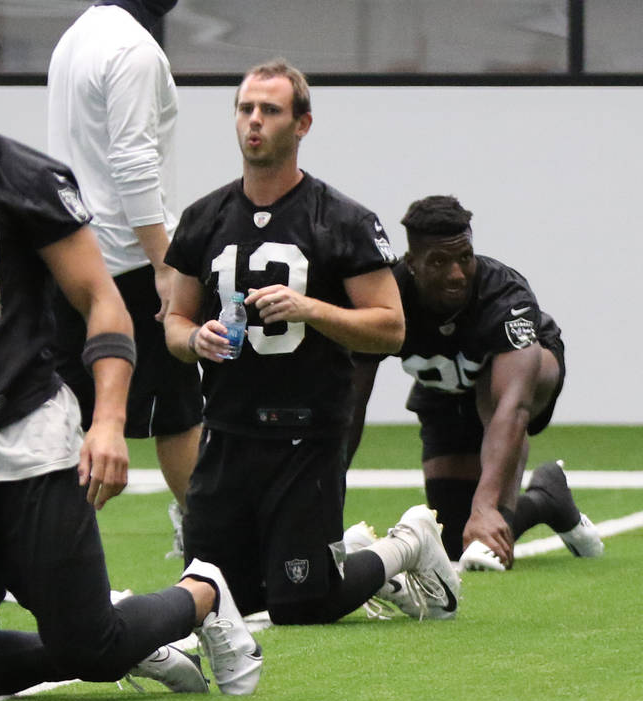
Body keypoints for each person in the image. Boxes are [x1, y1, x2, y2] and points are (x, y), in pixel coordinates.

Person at [0, 0, 262, 698]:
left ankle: (202, 591)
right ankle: (131, 638)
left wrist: (108, 421)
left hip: (23, 439)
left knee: (92, 644)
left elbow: (101, 301)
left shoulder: (20, 176)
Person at [162, 59, 460, 624]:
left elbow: (391, 326)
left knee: (301, 605)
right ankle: (344, 551)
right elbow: (173, 323)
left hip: (306, 435)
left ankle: (406, 544)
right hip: (226, 434)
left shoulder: (340, 219)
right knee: (221, 597)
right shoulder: (203, 218)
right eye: (246, 109)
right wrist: (193, 338)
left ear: (302, 125)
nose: (254, 121)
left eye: (270, 110)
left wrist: (311, 309)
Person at [348, 195, 603, 570]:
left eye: (464, 257)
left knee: (499, 390)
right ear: (412, 263)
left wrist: (485, 506)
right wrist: (326, 489)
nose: (456, 274)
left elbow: (511, 408)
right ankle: (548, 497)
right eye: (438, 261)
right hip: (441, 390)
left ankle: (502, 503)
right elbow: (351, 402)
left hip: (512, 385)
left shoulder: (503, 293)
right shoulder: (388, 297)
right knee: (456, 543)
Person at [46, 0, 202, 556]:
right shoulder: (134, 51)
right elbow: (134, 163)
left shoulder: (75, 38)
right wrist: (164, 264)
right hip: (129, 262)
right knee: (179, 415)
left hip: (74, 259)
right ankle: (208, 546)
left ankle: (52, 553)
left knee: (67, 420)